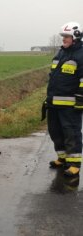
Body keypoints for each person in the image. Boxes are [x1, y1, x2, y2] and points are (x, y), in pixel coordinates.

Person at [46, 22, 83, 177]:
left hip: (71, 105)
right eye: (63, 37)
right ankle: (62, 158)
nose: (64, 40)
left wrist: (80, 99)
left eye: (66, 37)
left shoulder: (81, 54)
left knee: (71, 133)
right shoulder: (60, 53)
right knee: (55, 131)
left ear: (76, 37)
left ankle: (74, 163)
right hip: (54, 103)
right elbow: (53, 76)